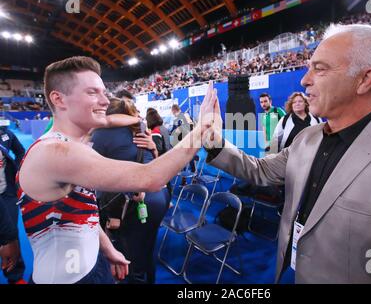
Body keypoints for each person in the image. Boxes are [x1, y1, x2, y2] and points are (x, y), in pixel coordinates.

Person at [203, 24, 371, 283]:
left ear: (365, 79)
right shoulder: (307, 138)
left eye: (319, 68)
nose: (304, 79)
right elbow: (260, 170)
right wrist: (210, 138)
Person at [16, 56, 216, 284]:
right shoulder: (57, 152)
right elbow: (150, 178)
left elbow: (83, 210)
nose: (105, 101)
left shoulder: (68, 143)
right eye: (92, 93)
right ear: (58, 99)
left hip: (91, 266)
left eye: (104, 92)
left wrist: (108, 249)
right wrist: (202, 128)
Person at [91, 98, 170, 284]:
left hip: (131, 201)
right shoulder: (140, 126)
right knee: (146, 248)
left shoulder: (100, 133)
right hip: (158, 196)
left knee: (130, 257)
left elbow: (99, 175)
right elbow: (152, 160)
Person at [0, 126, 26, 283]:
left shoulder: (5, 134)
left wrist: (18, 171)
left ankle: (15, 276)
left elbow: (20, 152)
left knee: (11, 233)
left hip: (6, 194)